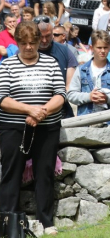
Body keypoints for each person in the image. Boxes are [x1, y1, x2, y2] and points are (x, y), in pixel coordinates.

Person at [0, 21, 66, 236]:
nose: (28, 47)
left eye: (33, 42)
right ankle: (8, 220)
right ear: (17, 42)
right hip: (13, 128)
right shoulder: (7, 65)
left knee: (44, 173)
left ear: (39, 41)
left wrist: (42, 112)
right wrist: (29, 110)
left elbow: (60, 95)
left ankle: (46, 221)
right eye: (23, 43)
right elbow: (2, 98)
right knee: (11, 173)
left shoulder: (51, 63)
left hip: (46, 127)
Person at [68, 30, 110, 116]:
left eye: (105, 47)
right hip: (86, 121)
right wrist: (89, 97)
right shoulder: (81, 70)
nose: (103, 51)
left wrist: (107, 98)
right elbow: (71, 95)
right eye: (99, 48)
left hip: (109, 121)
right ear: (92, 47)